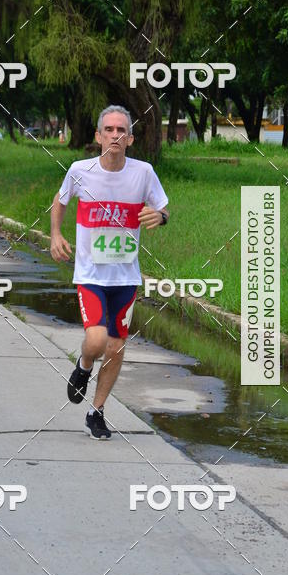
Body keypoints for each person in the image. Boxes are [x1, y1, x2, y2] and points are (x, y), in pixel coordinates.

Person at [50, 105, 169, 440]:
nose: (115, 135)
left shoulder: (143, 173)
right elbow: (60, 201)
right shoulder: (80, 170)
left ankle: (96, 411)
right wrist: (56, 235)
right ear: (98, 136)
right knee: (98, 339)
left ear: (130, 139)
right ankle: (84, 367)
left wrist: (161, 218)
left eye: (122, 131)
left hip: (126, 277)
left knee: (116, 348)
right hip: (90, 274)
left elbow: (162, 208)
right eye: (109, 130)